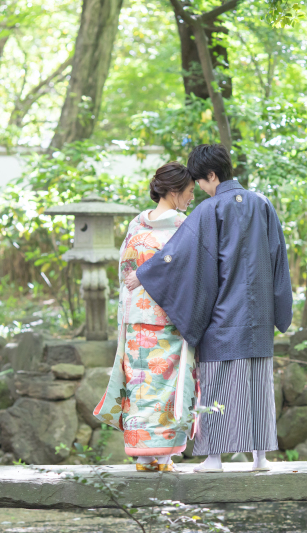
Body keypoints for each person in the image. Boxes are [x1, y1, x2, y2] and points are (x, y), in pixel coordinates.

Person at [128, 144, 293, 473]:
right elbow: (279, 260)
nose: (200, 188)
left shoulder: (209, 211)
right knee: (259, 385)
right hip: (259, 318)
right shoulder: (263, 205)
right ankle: (261, 458)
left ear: (212, 176)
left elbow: (179, 256)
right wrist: (279, 309)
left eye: (201, 182)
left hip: (223, 318)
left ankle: (214, 458)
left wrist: (144, 273)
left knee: (216, 385)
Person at [93, 162, 199, 473]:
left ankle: (143, 456)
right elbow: (188, 273)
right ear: (174, 191)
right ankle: (163, 457)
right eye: (190, 192)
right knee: (167, 387)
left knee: (139, 386)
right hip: (168, 318)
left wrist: (129, 308)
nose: (192, 198)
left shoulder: (136, 226)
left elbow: (124, 274)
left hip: (135, 317)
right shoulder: (184, 227)